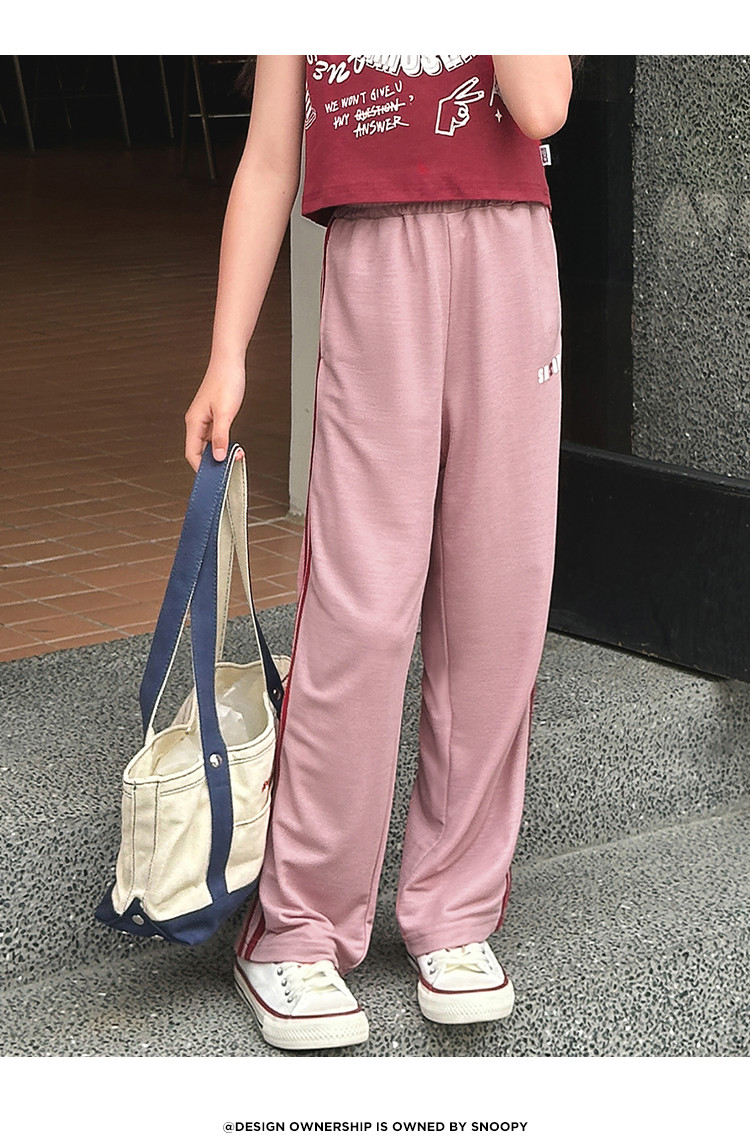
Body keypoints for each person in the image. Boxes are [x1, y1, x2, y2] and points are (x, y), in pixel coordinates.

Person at [185, 54, 573, 1052]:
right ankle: (297, 926)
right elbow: (269, 161)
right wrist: (228, 354)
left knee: (498, 595)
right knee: (360, 605)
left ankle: (454, 909)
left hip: (509, 257)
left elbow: (541, 106)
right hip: (375, 259)